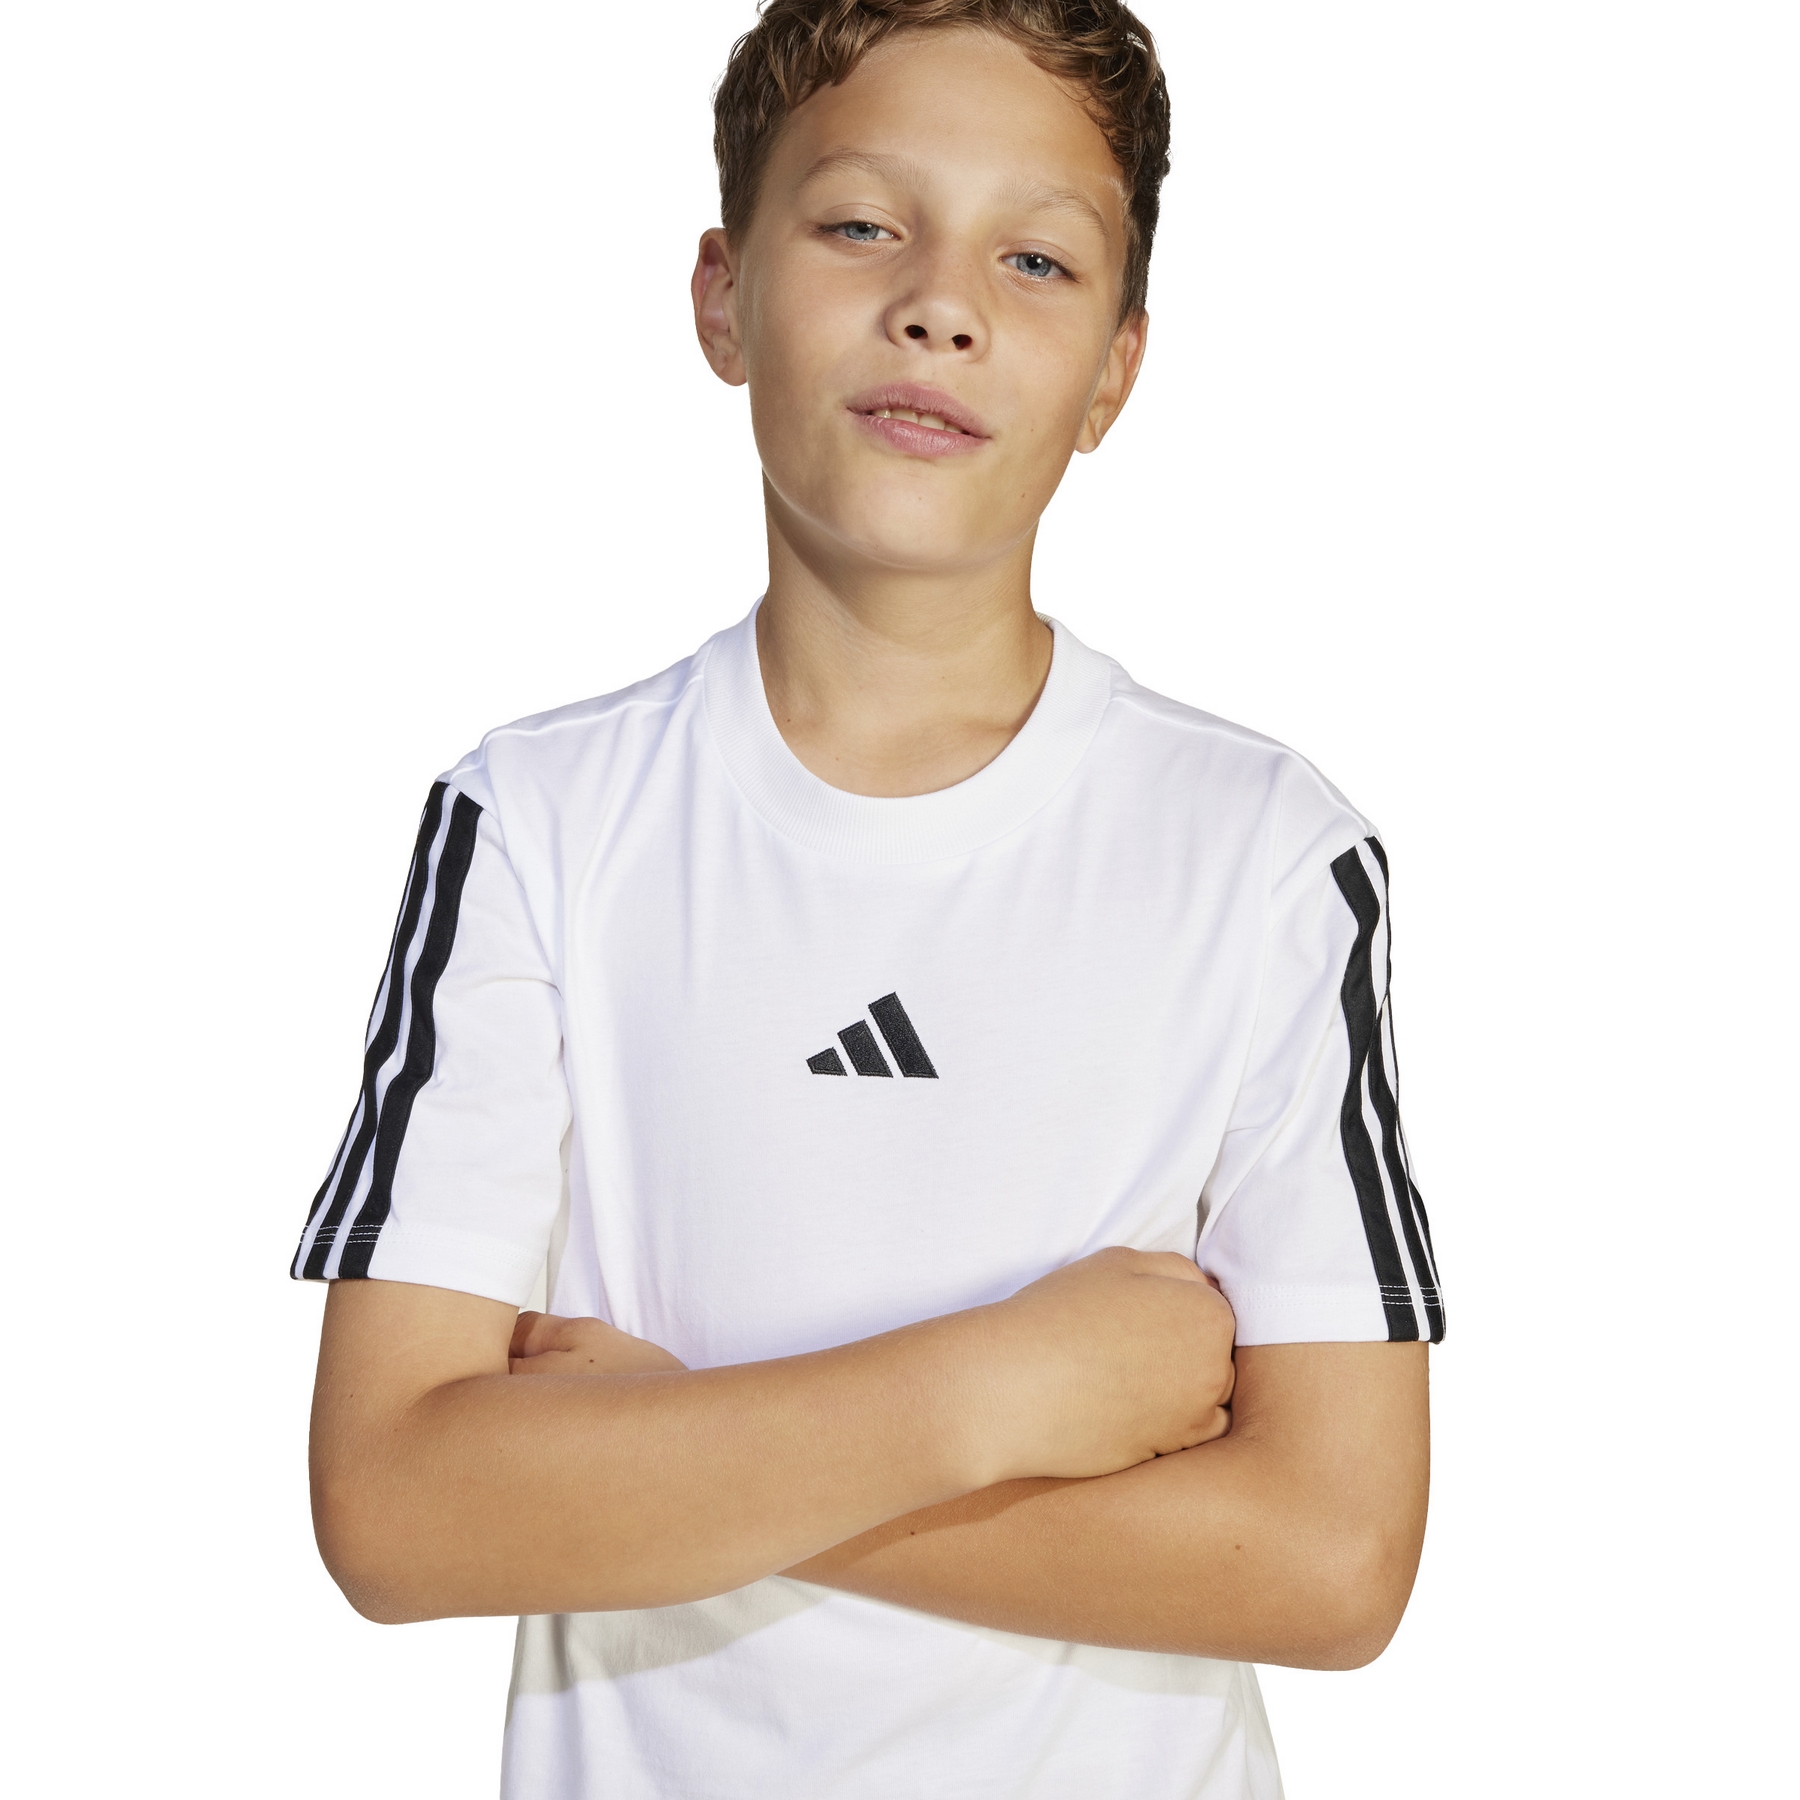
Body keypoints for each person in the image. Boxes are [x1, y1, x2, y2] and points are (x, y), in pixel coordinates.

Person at [295, 4, 1443, 1795]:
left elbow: (1330, 1560)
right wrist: (1001, 1393)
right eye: (858, 225)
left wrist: (659, 1456)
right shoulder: (533, 822)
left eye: (1035, 259)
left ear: (1115, 374)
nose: (939, 304)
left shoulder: (1267, 854)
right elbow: (394, 1510)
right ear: (723, 297)